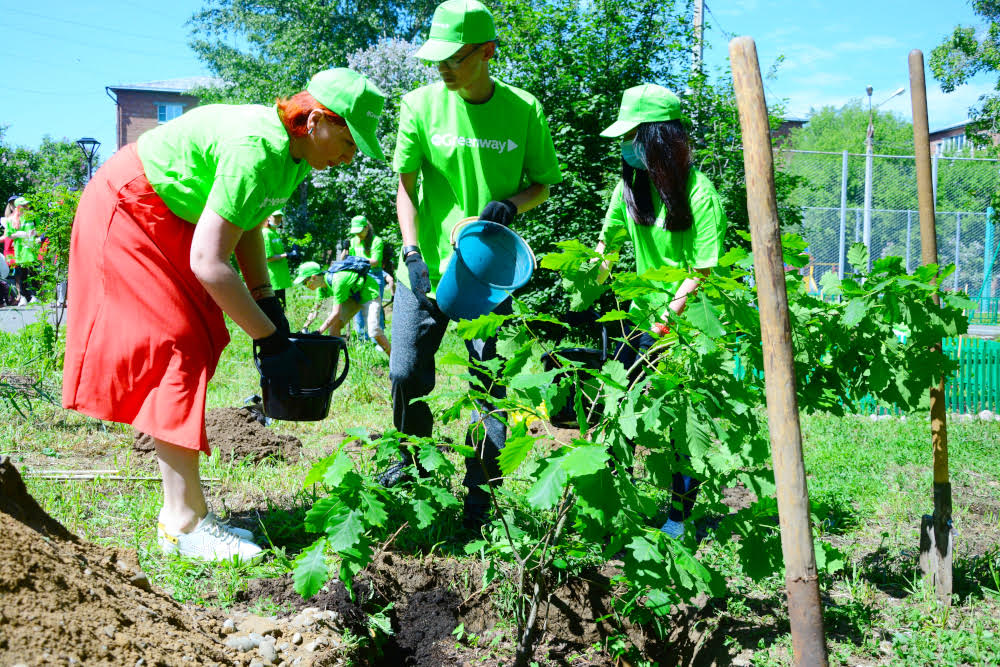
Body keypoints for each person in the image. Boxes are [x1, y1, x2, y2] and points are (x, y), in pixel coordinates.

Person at [61, 68, 386, 562]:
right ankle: (183, 522)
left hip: (174, 214)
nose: (350, 157)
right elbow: (210, 264)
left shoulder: (294, 157)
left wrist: (266, 300)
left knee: (204, 337)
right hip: (131, 205)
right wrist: (271, 339)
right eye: (348, 140)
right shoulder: (255, 148)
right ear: (316, 119)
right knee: (178, 343)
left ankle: (186, 513)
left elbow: (249, 222)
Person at [388, 0, 562, 530]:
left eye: (455, 57)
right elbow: (406, 186)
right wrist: (412, 252)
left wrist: (514, 204)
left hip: (488, 276)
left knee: (489, 385)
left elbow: (542, 183)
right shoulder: (419, 105)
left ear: (486, 52)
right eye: (437, 57)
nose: (442, 67)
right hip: (425, 267)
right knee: (403, 371)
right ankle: (411, 458)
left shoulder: (523, 108)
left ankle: (481, 491)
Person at [594, 84, 727, 539]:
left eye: (632, 135)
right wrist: (593, 267)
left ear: (658, 138)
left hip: (685, 327)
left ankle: (677, 518)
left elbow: (704, 268)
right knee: (619, 409)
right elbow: (607, 243)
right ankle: (621, 504)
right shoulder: (629, 189)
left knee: (681, 424)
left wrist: (671, 312)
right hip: (639, 321)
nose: (625, 146)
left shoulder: (700, 193)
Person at [295, 260, 391, 355]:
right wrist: (305, 327)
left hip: (369, 292)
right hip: (352, 295)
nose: (305, 286)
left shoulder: (337, 281)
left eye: (305, 282)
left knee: (374, 331)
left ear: (313, 277)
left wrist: (318, 332)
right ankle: (334, 358)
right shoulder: (321, 288)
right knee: (334, 325)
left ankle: (394, 361)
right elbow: (315, 310)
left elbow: (336, 313)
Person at [347, 214, 385, 342]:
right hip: (357, 277)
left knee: (374, 310)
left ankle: (377, 342)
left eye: (359, 231)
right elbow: (348, 258)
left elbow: (374, 261)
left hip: (373, 275)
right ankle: (362, 341)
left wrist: (357, 261)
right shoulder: (353, 241)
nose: (357, 234)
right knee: (358, 308)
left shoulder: (376, 241)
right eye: (355, 231)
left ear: (366, 228)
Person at [261, 209, 298, 308]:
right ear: (268, 217)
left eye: (280, 217)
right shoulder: (266, 233)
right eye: (275, 216)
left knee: (282, 307)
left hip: (280, 278)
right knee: (277, 309)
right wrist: (287, 255)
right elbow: (268, 257)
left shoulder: (274, 232)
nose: (278, 219)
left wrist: (291, 254)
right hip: (273, 278)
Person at [7, 197, 39, 304]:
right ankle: (24, 297)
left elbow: (40, 230)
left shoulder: (33, 217)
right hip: (20, 252)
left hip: (32, 250)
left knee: (34, 274)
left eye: (27, 205)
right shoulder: (12, 219)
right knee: (22, 275)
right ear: (18, 207)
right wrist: (18, 234)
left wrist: (35, 232)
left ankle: (34, 296)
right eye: (24, 205)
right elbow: (9, 234)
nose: (27, 207)